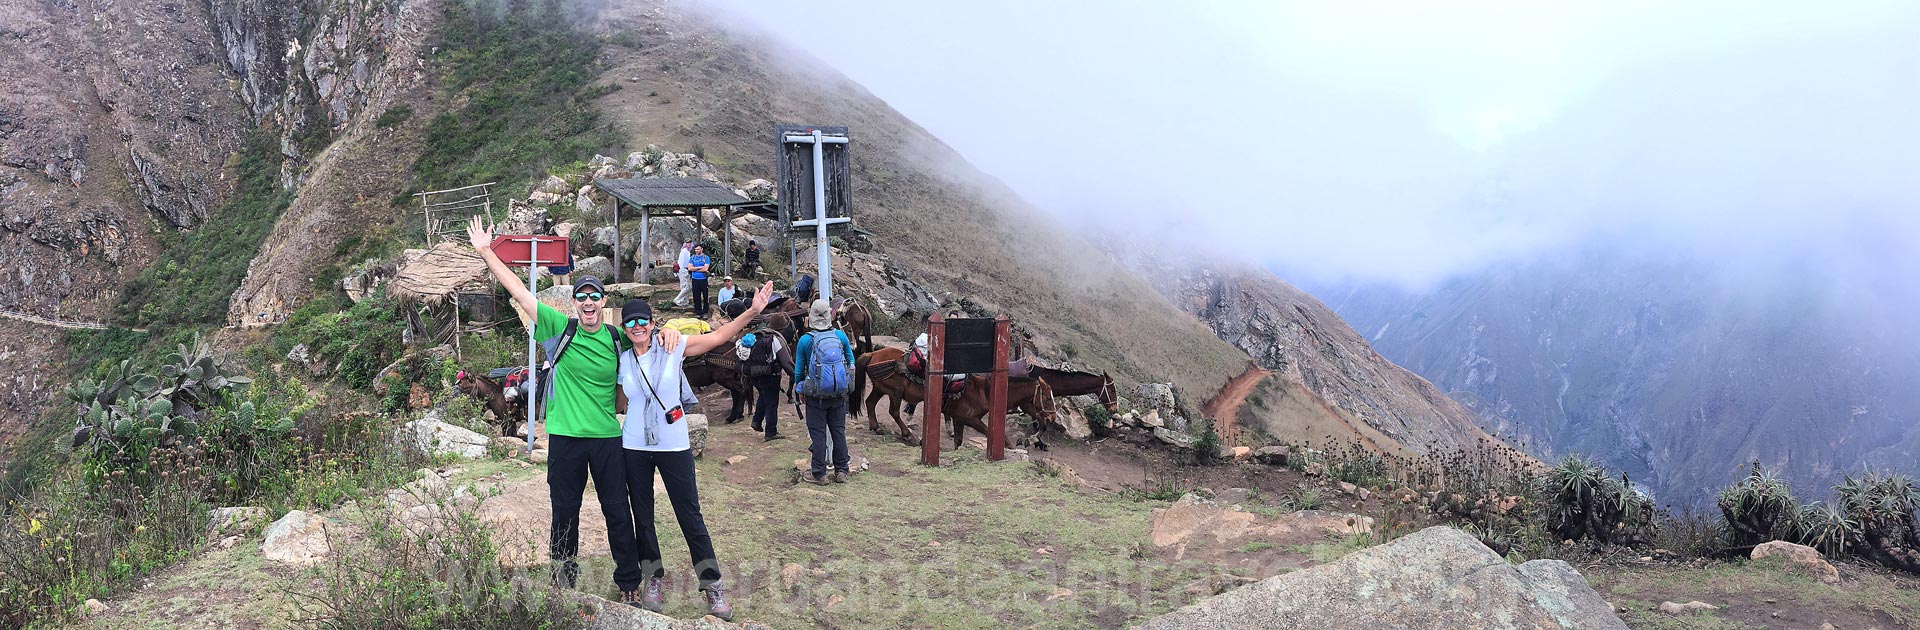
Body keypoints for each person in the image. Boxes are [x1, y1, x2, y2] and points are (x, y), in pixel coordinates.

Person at [463, 218, 646, 603]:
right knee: (565, 511)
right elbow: (518, 289)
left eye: (595, 297)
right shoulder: (558, 329)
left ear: (603, 303)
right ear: (575, 303)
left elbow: (651, 344)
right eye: (582, 297)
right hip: (564, 438)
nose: (589, 303)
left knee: (616, 509)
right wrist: (485, 251)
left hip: (607, 439)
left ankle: (628, 579)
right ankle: (564, 581)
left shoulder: (617, 339)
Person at [612, 282, 774, 620]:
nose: (638, 326)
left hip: (674, 445)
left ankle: (712, 583)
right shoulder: (623, 361)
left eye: (643, 320)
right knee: (642, 517)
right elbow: (615, 400)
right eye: (631, 322)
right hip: (634, 447)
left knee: (690, 516)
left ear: (653, 324)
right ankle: (652, 577)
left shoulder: (673, 346)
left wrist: (752, 311)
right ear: (625, 329)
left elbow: (717, 338)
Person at [793, 298, 855, 485]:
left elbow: (799, 370)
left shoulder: (805, 340)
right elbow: (851, 361)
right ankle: (841, 470)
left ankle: (819, 474)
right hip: (839, 395)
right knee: (838, 432)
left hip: (816, 397)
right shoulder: (840, 336)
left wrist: (799, 390)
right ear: (830, 316)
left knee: (818, 434)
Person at [735, 312, 794, 441]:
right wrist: (796, 375)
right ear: (782, 328)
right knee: (772, 403)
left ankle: (756, 421)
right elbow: (785, 362)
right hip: (771, 376)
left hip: (754, 375)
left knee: (763, 396)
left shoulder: (757, 336)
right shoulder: (776, 340)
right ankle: (771, 432)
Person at [688, 245, 712, 318]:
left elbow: (705, 269)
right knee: (696, 296)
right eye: (695, 249)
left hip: (703, 279)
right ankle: (698, 312)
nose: (696, 251)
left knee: (705, 296)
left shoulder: (706, 258)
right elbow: (689, 268)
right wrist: (700, 267)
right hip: (695, 279)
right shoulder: (692, 257)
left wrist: (694, 269)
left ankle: (705, 312)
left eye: (698, 249)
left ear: (702, 249)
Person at [672, 240, 693, 307]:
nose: (689, 244)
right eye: (687, 243)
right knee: (688, 286)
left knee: (684, 286)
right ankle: (677, 300)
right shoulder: (684, 251)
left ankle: (684, 301)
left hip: (684, 270)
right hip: (683, 270)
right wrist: (684, 270)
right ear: (685, 244)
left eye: (690, 243)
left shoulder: (687, 252)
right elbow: (682, 263)